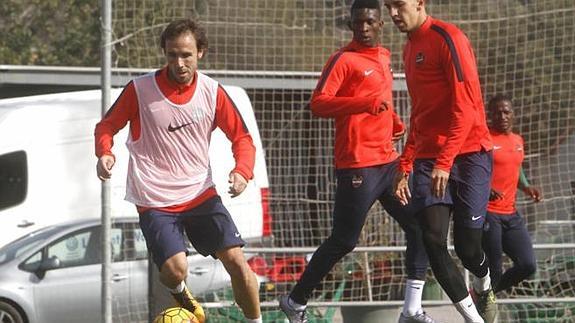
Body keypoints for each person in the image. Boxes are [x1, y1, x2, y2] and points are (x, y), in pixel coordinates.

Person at [94, 18, 262, 323]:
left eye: (186, 54)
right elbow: (107, 125)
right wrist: (105, 153)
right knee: (174, 269)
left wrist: (243, 172)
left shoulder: (212, 92)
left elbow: (242, 138)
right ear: (164, 53)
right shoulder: (140, 89)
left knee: (238, 262)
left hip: (200, 194)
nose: (179, 62)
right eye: (172, 54)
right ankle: (183, 295)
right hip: (155, 199)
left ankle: (255, 321)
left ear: (201, 53)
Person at [279, 1, 435, 322]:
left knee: (419, 226)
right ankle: (296, 300)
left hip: (388, 163)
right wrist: (363, 103)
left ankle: (411, 308)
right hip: (357, 165)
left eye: (369, 22)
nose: (363, 28)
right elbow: (319, 104)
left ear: (381, 24)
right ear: (351, 24)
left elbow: (382, 100)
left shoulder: (385, 56)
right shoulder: (343, 60)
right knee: (345, 240)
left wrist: (393, 122)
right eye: (357, 22)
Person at [384, 0, 497, 322]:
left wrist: (445, 162)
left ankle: (483, 282)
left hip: (470, 153)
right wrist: (405, 163)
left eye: (399, 4)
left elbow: (466, 108)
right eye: (388, 6)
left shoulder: (449, 38)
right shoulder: (409, 49)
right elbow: (420, 114)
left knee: (468, 249)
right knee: (432, 237)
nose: (393, 13)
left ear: (420, 3)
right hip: (429, 158)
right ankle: (475, 320)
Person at [483, 94, 539, 294]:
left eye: (506, 112)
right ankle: (484, 304)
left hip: (511, 214)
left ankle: (484, 295)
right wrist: (484, 189)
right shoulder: (485, 139)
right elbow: (472, 171)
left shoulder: (518, 140)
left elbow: (517, 169)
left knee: (528, 264)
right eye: (497, 113)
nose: (502, 116)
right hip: (489, 213)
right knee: (495, 268)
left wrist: (526, 187)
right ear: (490, 116)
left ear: (513, 114)